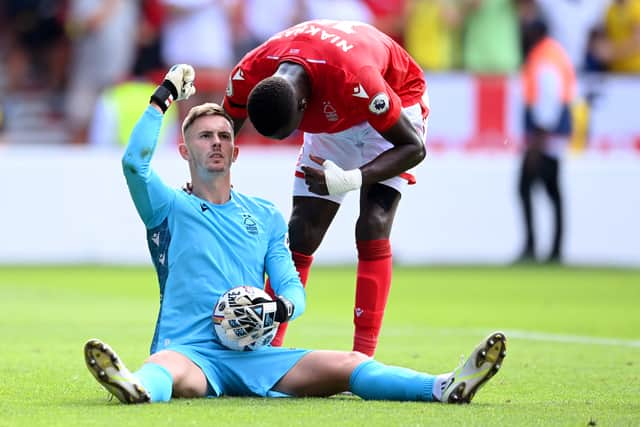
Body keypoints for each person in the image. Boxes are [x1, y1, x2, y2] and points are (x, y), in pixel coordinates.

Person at [84, 64, 507, 405]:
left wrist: (278, 308)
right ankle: (137, 387)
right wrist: (163, 98)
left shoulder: (265, 215)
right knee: (168, 369)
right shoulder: (167, 207)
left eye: (224, 136)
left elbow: (292, 288)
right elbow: (134, 164)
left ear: (235, 152)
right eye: (204, 136)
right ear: (184, 151)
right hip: (190, 351)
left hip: (256, 355)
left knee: (349, 364)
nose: (215, 143)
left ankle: (444, 386)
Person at [222, 19, 429, 357]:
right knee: (302, 230)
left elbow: (413, 149)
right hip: (333, 115)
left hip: (393, 103)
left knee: (373, 222)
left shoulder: (358, 79)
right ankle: (266, 350)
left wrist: (352, 178)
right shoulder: (250, 71)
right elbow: (221, 130)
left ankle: (362, 357)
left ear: (304, 107)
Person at [516, 10, 576, 263]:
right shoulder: (551, 53)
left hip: (545, 137)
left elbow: (548, 102)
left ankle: (537, 248)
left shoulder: (544, 58)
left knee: (530, 187)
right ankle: (553, 250)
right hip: (551, 136)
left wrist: (536, 144)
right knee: (551, 191)